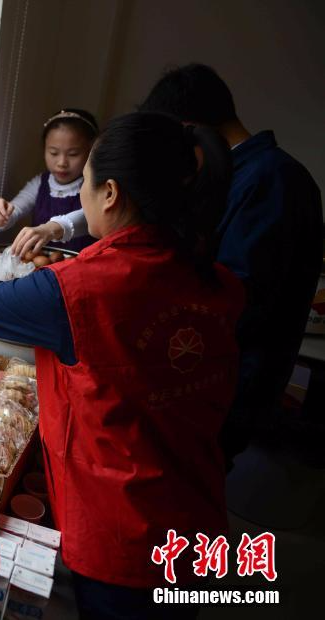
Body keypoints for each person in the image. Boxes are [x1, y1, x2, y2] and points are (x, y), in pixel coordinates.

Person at [0, 113, 244, 618]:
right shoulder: (216, 278)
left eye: (83, 178)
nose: (78, 193)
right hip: (198, 510)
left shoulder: (88, 290)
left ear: (110, 193)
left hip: (125, 531)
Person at [139, 64, 324, 469]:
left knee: (189, 485)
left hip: (230, 381)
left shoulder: (270, 182)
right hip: (218, 377)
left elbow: (235, 298)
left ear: (189, 130)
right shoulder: (253, 175)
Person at [0, 109, 99, 254]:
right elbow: (14, 211)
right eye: (53, 153)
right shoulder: (40, 183)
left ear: (91, 150)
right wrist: (0, 216)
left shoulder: (95, 186)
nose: (62, 162)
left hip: (80, 268)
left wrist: (50, 229)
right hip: (43, 268)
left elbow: (88, 218)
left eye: (73, 154)